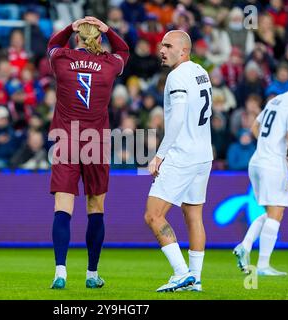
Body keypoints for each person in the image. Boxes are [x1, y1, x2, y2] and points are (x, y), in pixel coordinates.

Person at [47, 16, 129, 290]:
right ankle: (92, 274)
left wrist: (69, 27)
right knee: (96, 207)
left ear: (77, 37)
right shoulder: (109, 64)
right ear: (99, 38)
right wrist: (108, 30)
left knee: (63, 208)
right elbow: (124, 51)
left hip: (66, 140)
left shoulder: (62, 59)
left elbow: (51, 44)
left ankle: (60, 272)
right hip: (95, 143)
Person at [144, 30, 213, 292]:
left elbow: (178, 116)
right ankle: (195, 279)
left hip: (182, 155)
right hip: (203, 154)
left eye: (168, 45)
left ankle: (182, 272)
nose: (162, 49)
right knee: (193, 215)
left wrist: (159, 155)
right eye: (161, 44)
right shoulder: (201, 72)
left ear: (183, 51)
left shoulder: (176, 76)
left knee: (153, 215)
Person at [233, 68, 288, 276]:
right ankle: (262, 265)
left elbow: (255, 127)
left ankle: (244, 246)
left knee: (271, 212)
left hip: (258, 161)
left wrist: (269, 145)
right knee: (276, 213)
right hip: (272, 163)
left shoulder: (276, 100)